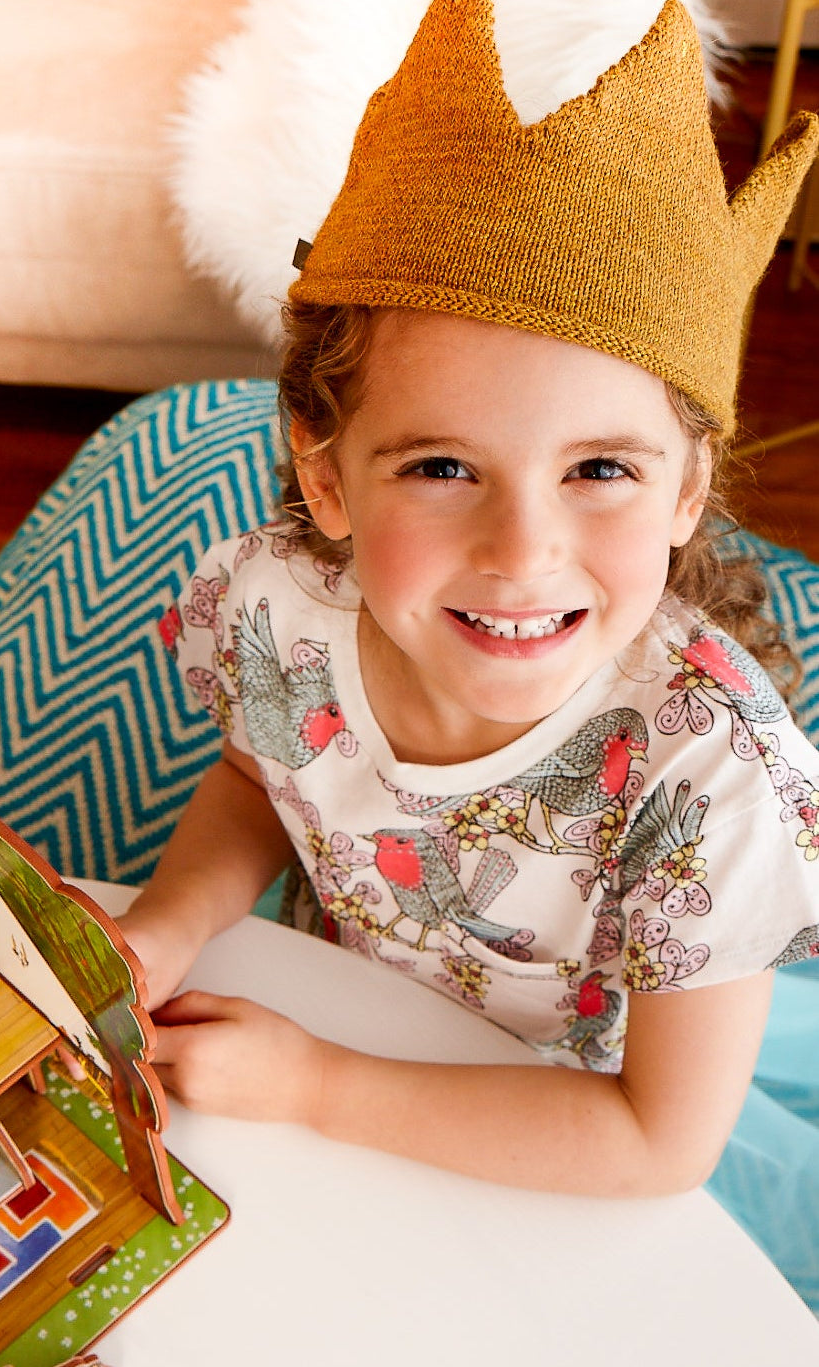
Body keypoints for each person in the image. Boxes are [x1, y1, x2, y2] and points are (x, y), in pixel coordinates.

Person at [118, 0, 819, 1200]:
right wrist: (165, 929)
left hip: (557, 1115)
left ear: (688, 487)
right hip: (324, 1004)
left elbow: (656, 1141)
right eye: (442, 467)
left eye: (600, 469)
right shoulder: (277, 609)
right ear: (325, 474)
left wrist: (318, 1086)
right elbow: (258, 777)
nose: (521, 550)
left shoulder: (712, 784)